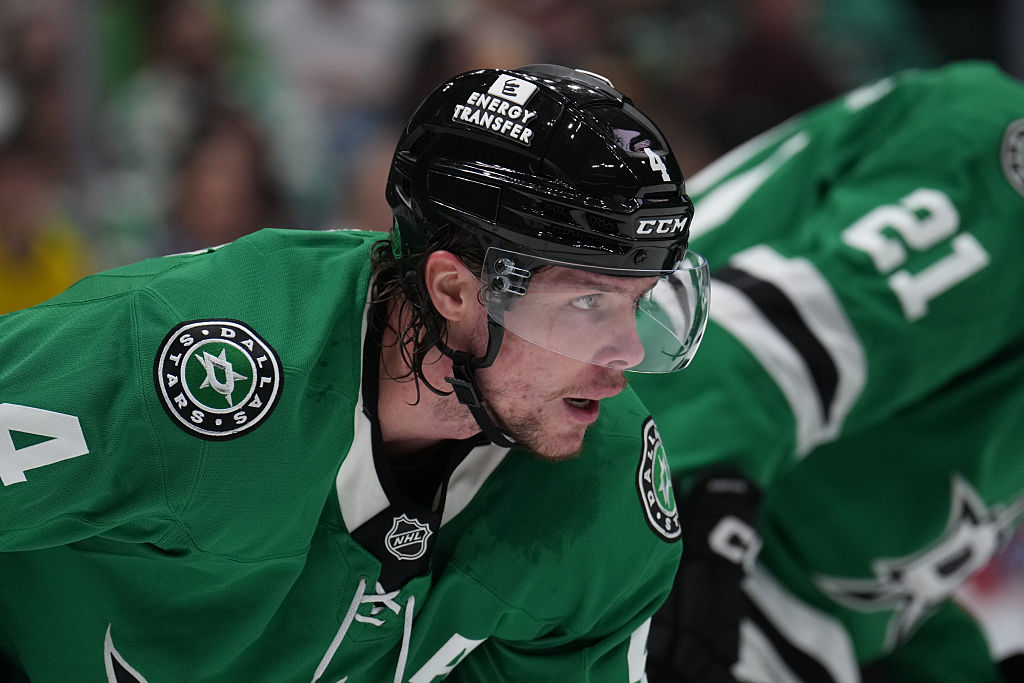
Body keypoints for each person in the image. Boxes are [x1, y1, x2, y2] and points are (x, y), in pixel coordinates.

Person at [0, 64, 711, 681]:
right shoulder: (201, 366)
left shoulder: (603, 492)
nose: (629, 355)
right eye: (587, 303)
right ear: (456, 292)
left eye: (640, 303)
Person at [631, 60, 1024, 683]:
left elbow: (864, 580)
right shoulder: (1006, 168)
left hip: (728, 589)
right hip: (612, 517)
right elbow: (737, 357)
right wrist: (687, 561)